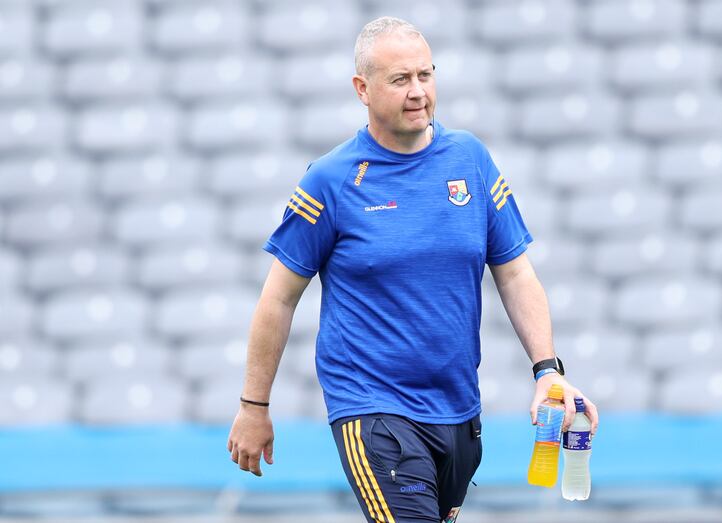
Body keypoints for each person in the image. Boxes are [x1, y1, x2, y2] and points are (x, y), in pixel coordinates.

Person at [227, 16, 599, 523]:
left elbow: (515, 273)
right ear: (363, 89)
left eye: (426, 75)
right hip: (373, 410)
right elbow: (278, 298)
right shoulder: (330, 181)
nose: (418, 92)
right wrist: (254, 406)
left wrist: (549, 372)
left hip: (458, 413)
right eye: (400, 80)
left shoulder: (470, 159)